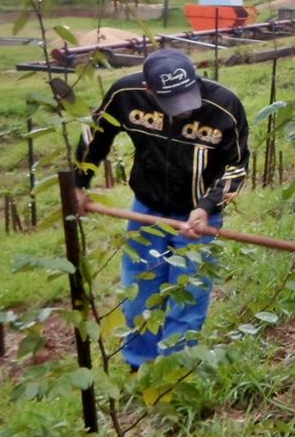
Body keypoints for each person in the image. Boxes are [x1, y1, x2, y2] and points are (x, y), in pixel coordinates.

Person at [74, 49, 249, 370]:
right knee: (141, 289)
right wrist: (78, 183)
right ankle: (139, 365)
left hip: (199, 218)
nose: (183, 110)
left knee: (188, 295)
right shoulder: (127, 95)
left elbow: (236, 167)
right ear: (150, 90)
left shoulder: (223, 106)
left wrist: (207, 207)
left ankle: (174, 369)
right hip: (147, 210)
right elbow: (95, 135)